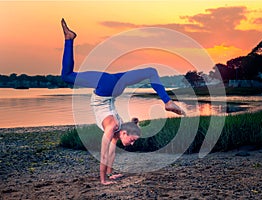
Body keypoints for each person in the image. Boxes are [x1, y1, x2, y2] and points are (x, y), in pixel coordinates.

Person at [60, 18, 185, 185]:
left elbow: (108, 154)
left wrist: (107, 177)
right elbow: (105, 154)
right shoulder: (113, 127)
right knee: (67, 77)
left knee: (151, 71)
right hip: (108, 87)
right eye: (133, 140)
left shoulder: (114, 129)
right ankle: (167, 102)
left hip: (111, 86)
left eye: (132, 141)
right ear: (124, 132)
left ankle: (167, 101)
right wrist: (105, 179)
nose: (132, 144)